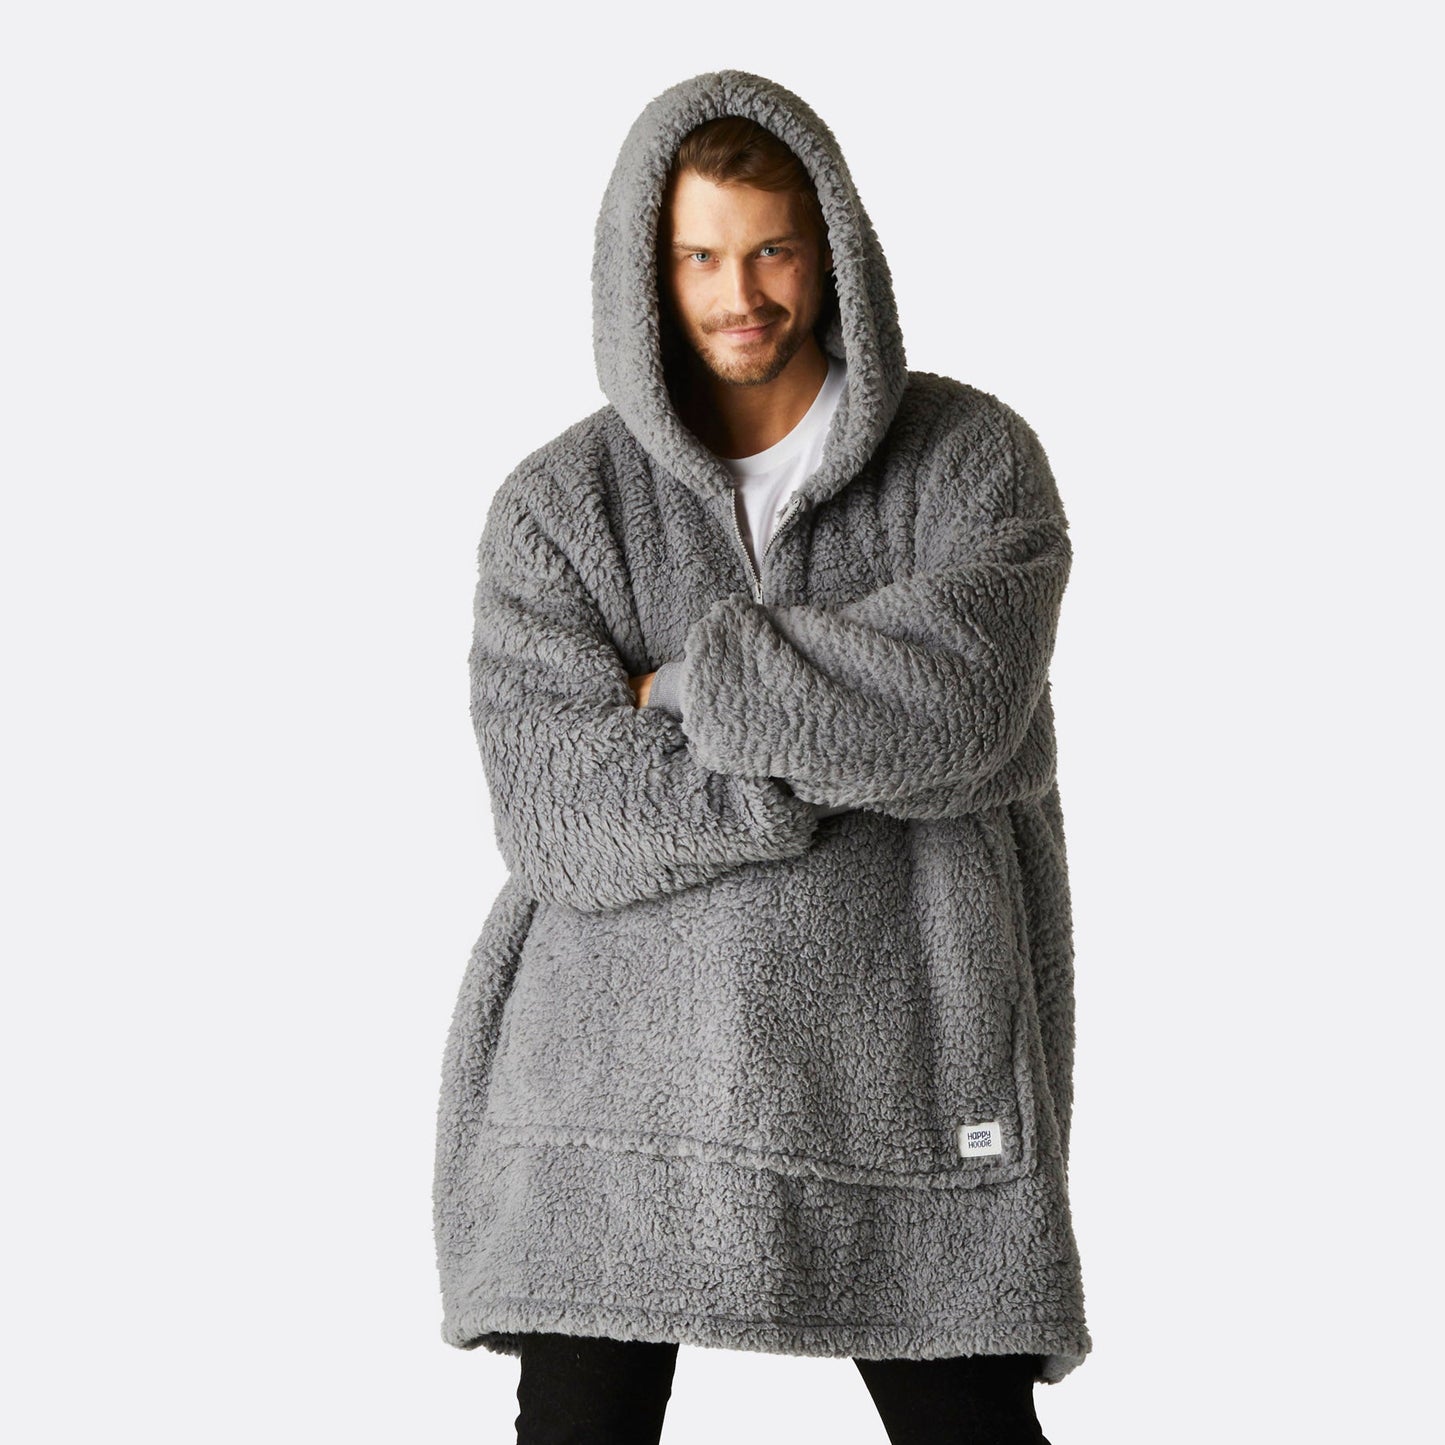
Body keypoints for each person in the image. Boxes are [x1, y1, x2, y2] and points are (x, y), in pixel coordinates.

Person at [433, 69, 1090, 1444]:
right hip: (609, 1095)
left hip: (908, 1069)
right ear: (645, 270)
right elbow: (567, 817)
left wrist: (688, 686)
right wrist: (848, 732)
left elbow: (964, 709)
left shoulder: (971, 465)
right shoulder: (560, 507)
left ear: (834, 249)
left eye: (772, 250)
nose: (740, 294)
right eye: (700, 257)